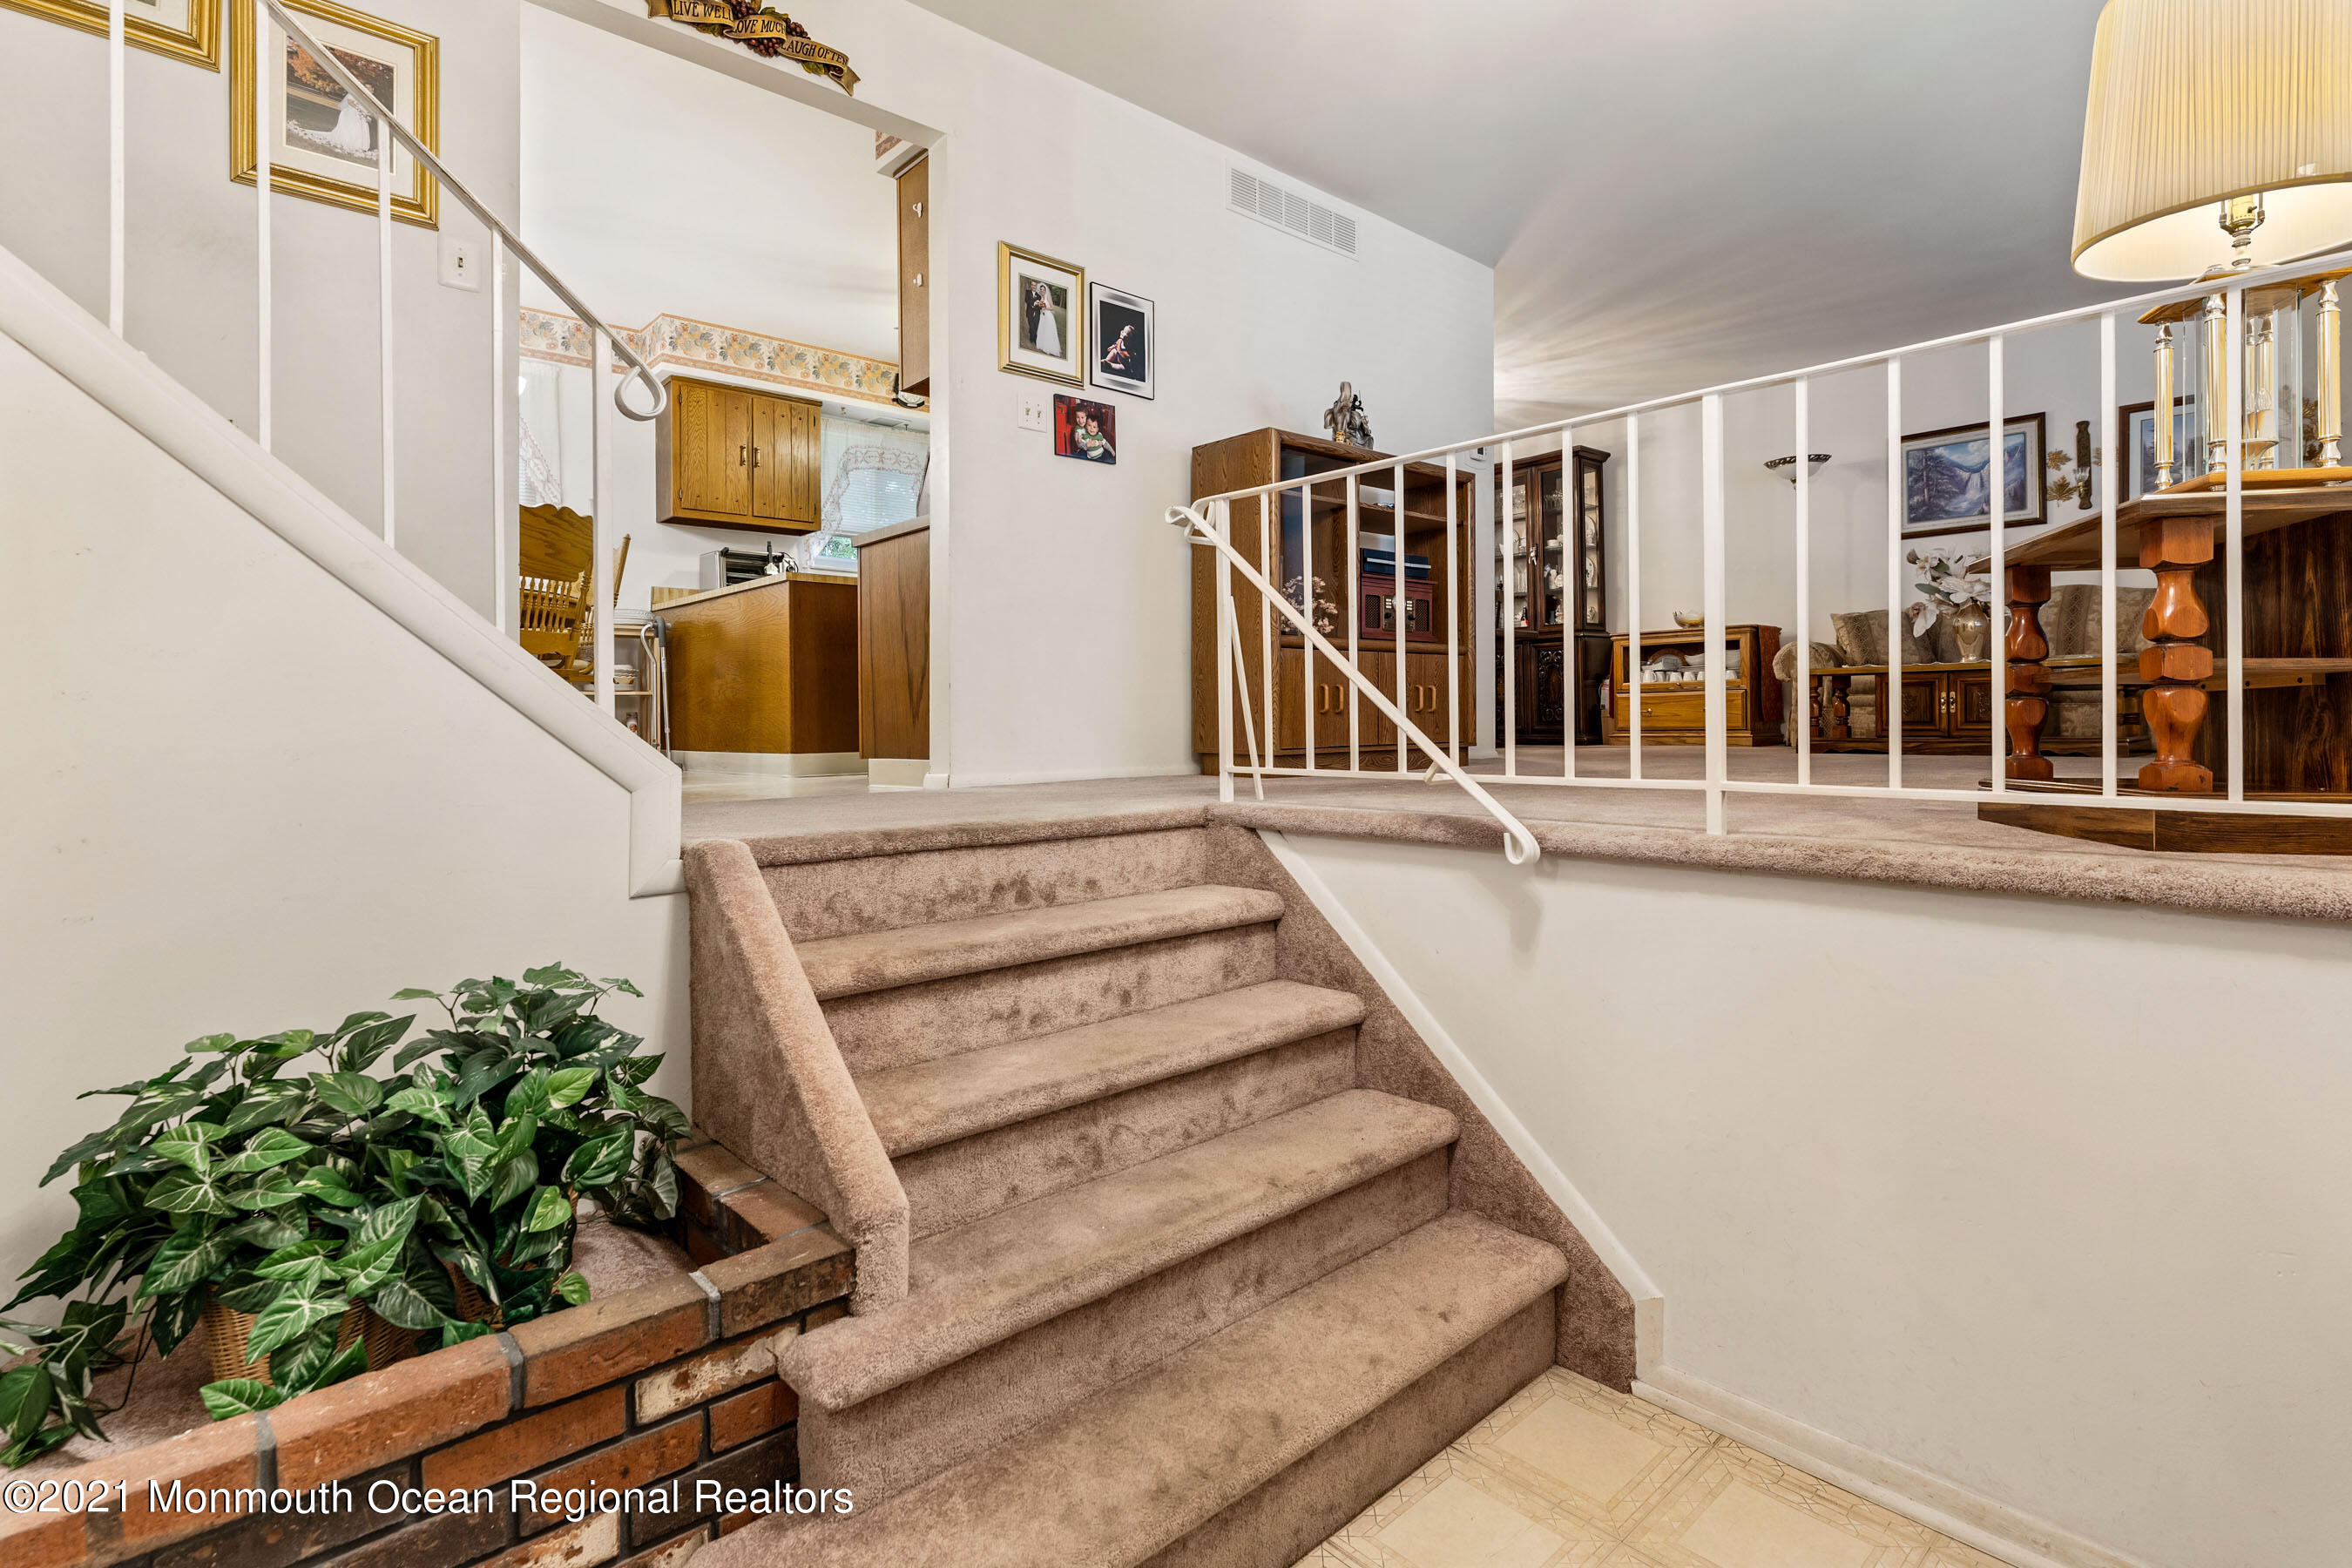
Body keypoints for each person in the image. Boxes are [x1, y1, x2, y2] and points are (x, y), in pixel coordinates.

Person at [1030, 280, 1061, 358]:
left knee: (1048, 331)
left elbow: (1052, 307)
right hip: (1042, 316)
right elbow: (1040, 307)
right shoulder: (1041, 298)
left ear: (1045, 290)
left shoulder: (1047, 297)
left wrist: (1045, 308)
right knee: (1043, 330)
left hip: (1048, 316)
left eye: (1043, 290)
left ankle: (1050, 348)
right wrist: (1040, 307)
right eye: (1041, 290)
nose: (1042, 291)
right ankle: (1043, 345)